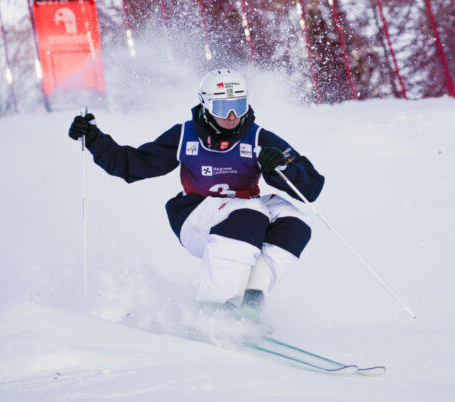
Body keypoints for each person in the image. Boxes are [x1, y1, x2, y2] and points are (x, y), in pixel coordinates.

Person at [68, 69, 324, 314]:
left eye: (240, 105)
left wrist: (281, 167)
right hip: (196, 217)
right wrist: (93, 139)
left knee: (296, 220)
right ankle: (215, 306)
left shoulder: (258, 137)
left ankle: (251, 297)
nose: (233, 115)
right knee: (250, 211)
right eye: (223, 108)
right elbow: (130, 166)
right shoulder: (185, 135)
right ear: (205, 105)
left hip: (245, 217)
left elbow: (311, 187)